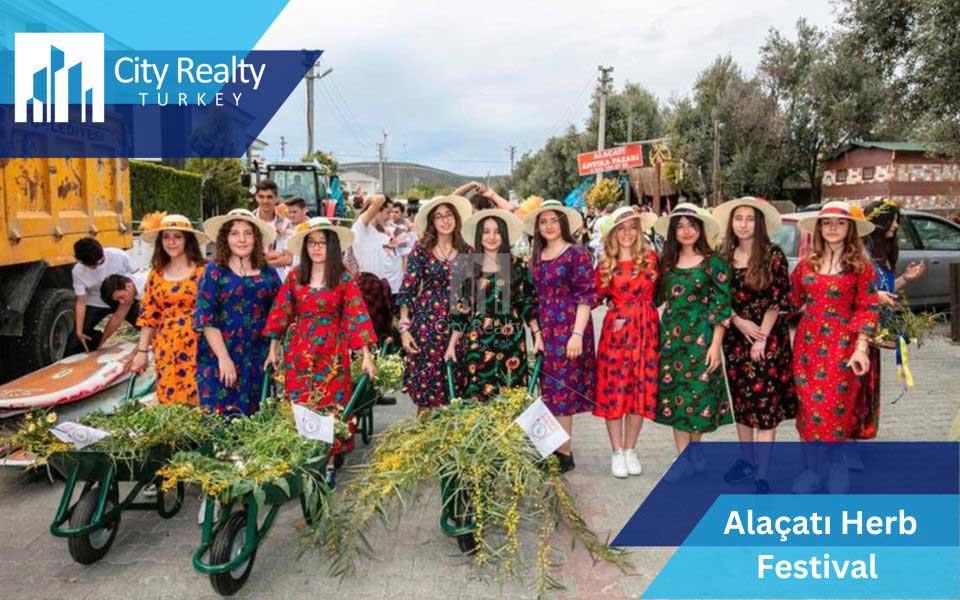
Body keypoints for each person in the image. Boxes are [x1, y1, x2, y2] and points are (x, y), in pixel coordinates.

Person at [264, 217, 376, 489]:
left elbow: (356, 315)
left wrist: (366, 355)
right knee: (302, 404)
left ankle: (327, 463)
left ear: (333, 247)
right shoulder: (294, 276)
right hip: (299, 352)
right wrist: (273, 351)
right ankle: (304, 458)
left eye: (323, 244)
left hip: (333, 352)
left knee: (330, 407)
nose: (316, 248)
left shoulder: (343, 278)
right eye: (312, 243)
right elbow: (280, 315)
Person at [790, 201, 881, 492]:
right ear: (818, 228)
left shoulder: (861, 266)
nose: (832, 228)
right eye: (827, 222)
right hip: (807, 345)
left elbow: (867, 308)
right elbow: (789, 301)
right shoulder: (806, 263)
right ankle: (812, 472)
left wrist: (862, 348)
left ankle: (837, 469)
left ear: (850, 228)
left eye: (840, 223)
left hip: (844, 346)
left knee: (836, 410)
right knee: (808, 410)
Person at [713, 197, 797, 493]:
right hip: (736, 340)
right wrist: (737, 321)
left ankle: (762, 473)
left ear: (758, 223)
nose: (744, 224)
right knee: (743, 403)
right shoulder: (723, 257)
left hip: (768, 339)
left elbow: (779, 299)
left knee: (764, 405)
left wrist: (761, 337)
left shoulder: (773, 255)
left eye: (750, 218)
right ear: (731, 223)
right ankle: (746, 461)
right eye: (739, 219)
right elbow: (718, 299)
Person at [653, 203, 732, 480]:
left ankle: (694, 450)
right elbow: (655, 299)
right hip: (672, 340)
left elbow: (722, 307)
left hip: (702, 339)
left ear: (700, 229)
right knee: (676, 397)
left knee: (699, 397)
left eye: (691, 225)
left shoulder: (714, 262)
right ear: (674, 232)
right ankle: (683, 458)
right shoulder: (666, 263)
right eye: (680, 226)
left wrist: (715, 346)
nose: (686, 231)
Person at [524, 199, 596, 473]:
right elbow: (533, 298)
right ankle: (551, 447)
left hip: (570, 330)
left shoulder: (576, 253)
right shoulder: (537, 257)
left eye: (554, 221)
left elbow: (586, 297)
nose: (549, 226)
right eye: (543, 222)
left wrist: (577, 334)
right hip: (546, 332)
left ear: (563, 224)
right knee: (549, 391)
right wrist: (537, 333)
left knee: (563, 392)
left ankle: (564, 453)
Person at [593, 206, 660, 479]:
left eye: (633, 227)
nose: (627, 233)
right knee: (615, 391)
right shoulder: (605, 265)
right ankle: (617, 451)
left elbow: (667, 292)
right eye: (622, 228)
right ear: (613, 233)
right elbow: (590, 296)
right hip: (617, 334)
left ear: (639, 231)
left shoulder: (652, 260)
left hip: (646, 332)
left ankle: (631, 449)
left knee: (639, 391)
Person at [446, 209, 542, 400]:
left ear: (504, 235)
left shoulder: (517, 266)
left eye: (497, 231)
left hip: (512, 344)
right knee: (478, 401)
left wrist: (537, 336)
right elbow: (460, 311)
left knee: (511, 400)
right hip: (477, 345)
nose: (492, 236)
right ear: (479, 236)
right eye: (486, 231)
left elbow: (527, 305)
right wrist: (451, 345)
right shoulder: (466, 267)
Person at [194, 209, 282, 416]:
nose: (241, 239)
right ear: (225, 238)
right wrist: (224, 359)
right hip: (220, 354)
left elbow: (279, 314)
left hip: (258, 354)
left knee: (258, 415)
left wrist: (274, 349)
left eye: (248, 233)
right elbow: (206, 317)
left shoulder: (268, 271)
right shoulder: (215, 271)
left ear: (256, 238)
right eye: (234, 233)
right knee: (220, 416)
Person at [856, 199, 926, 439]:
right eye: (892, 219)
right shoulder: (860, 253)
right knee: (855, 388)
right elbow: (853, 292)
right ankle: (847, 441)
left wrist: (906, 278)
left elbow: (888, 292)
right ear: (877, 221)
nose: (896, 225)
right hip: (858, 332)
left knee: (868, 388)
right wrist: (875, 297)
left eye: (897, 219)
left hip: (876, 331)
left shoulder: (884, 253)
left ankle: (858, 437)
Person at [397, 195, 473, 412]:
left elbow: (465, 297)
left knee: (453, 388)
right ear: (432, 222)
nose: (445, 220)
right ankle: (423, 441)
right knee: (425, 392)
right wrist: (404, 327)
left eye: (449, 215)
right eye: (439, 216)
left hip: (456, 326)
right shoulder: (421, 250)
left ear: (456, 219)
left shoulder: (467, 251)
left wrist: (457, 333)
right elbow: (408, 289)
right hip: (425, 327)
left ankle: (447, 441)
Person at [128, 214, 208, 405]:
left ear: (187, 240)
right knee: (169, 399)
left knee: (200, 396)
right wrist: (141, 352)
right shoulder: (156, 275)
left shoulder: (204, 271)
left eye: (177, 237)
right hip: (165, 346)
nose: (171, 242)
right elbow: (149, 316)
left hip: (200, 343)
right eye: (166, 237)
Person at [69, 237, 139, 353]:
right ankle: (93, 350)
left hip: (124, 298)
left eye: (100, 262)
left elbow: (135, 277)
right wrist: (79, 331)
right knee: (76, 340)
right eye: (92, 266)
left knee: (147, 324)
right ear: (81, 262)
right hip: (97, 302)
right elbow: (80, 302)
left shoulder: (119, 255)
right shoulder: (77, 271)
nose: (97, 266)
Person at [252, 179, 294, 275]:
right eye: (261, 197)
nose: (265, 201)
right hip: (252, 278)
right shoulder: (249, 222)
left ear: (276, 198)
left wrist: (260, 261)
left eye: (269, 197)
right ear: (256, 198)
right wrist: (278, 256)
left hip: (278, 279)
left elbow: (288, 259)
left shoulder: (286, 223)